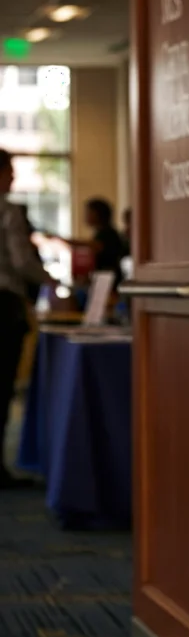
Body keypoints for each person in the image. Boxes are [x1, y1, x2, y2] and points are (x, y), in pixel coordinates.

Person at [0, 149, 55, 488]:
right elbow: (22, 262)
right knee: (1, 387)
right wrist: (53, 282)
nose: (14, 178)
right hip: (3, 307)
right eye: (10, 171)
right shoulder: (8, 210)